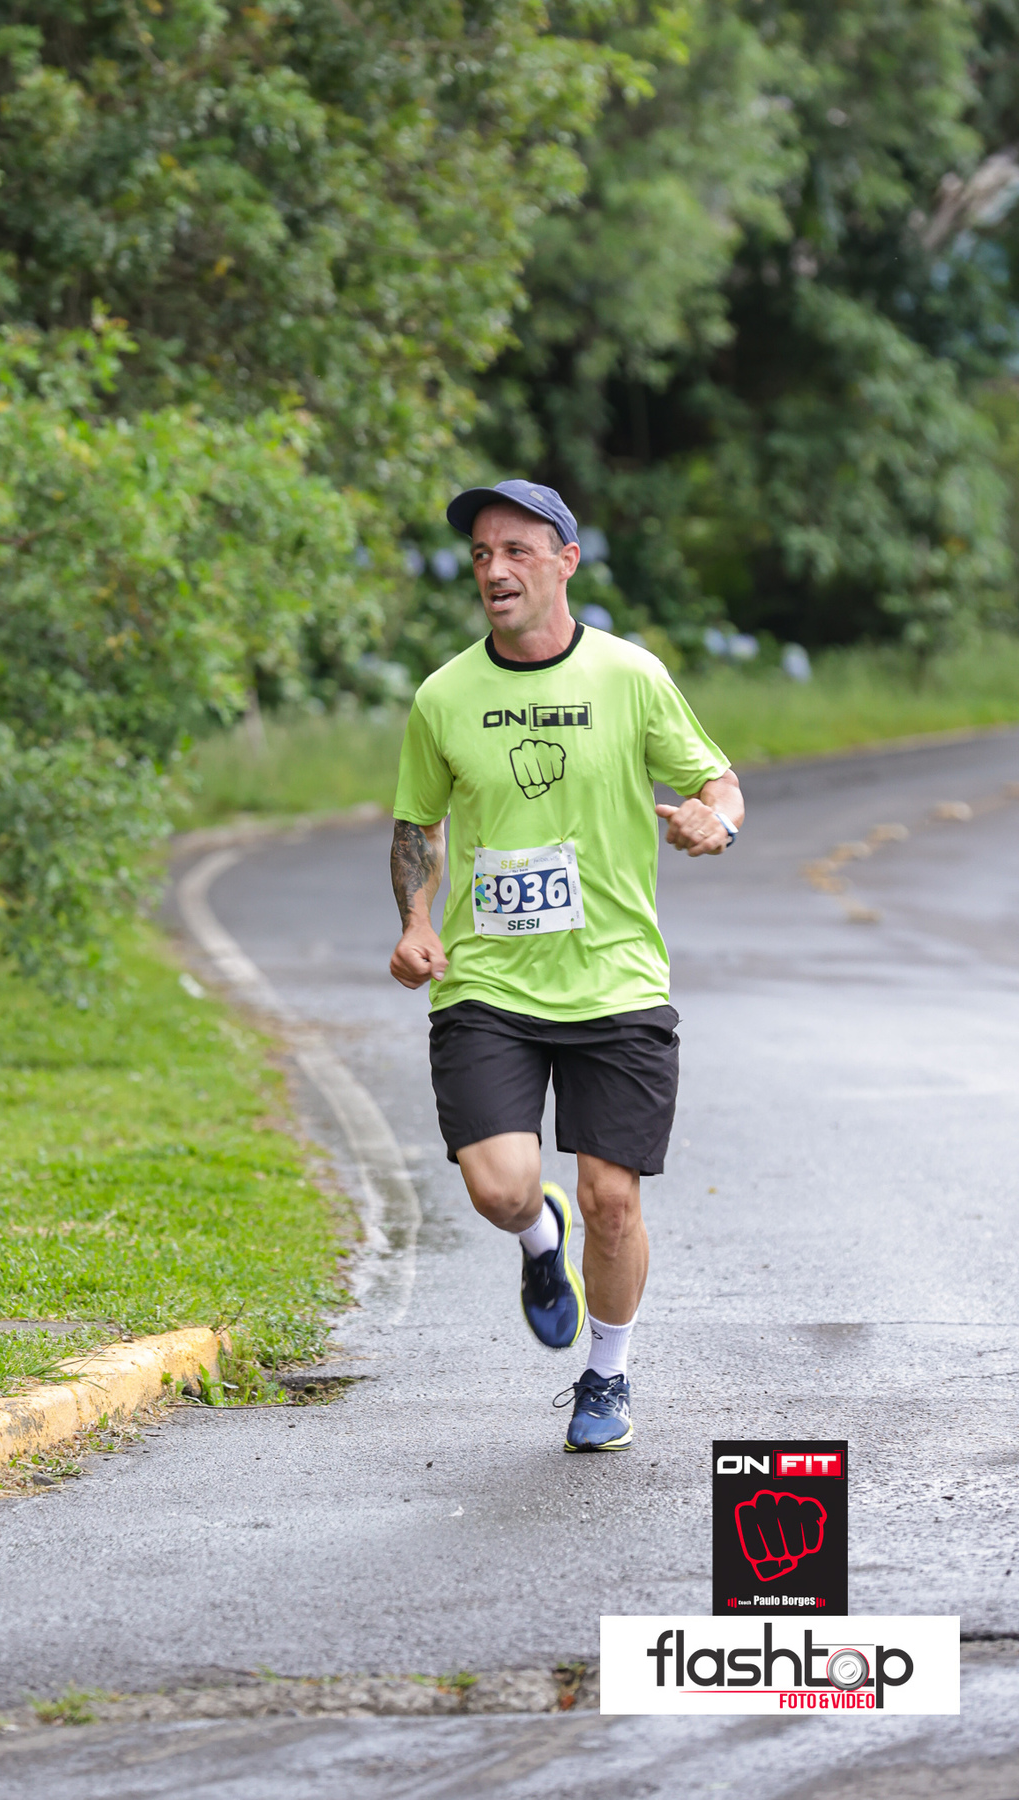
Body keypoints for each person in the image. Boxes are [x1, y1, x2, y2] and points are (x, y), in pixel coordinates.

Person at [389, 479, 744, 1451]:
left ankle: (606, 1376)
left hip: (617, 978)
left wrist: (717, 821)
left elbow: (715, 780)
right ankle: (539, 1242)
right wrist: (416, 920)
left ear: (565, 563)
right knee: (502, 1188)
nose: (494, 570)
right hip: (488, 983)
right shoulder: (444, 696)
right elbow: (417, 826)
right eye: (481, 555)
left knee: (613, 1203)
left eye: (516, 550)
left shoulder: (630, 677)